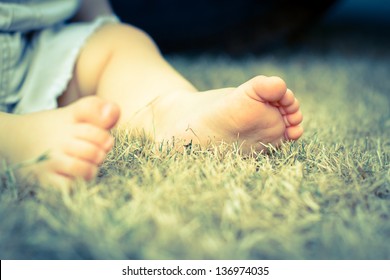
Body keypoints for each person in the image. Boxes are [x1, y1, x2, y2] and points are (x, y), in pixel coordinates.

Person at [0, 0, 303, 188]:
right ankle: (15, 140)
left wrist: (102, 31)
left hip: (38, 43)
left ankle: (170, 112)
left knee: (123, 44)